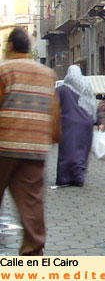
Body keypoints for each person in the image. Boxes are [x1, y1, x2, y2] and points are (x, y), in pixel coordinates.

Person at [0, 27, 60, 255]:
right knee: (32, 203)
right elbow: (55, 113)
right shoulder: (47, 74)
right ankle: (33, 253)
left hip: (5, 145)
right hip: (35, 147)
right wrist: (53, 138)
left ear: (11, 46)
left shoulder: (4, 70)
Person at [52, 64, 104, 189]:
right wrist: (99, 122)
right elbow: (92, 105)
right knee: (82, 152)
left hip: (68, 125)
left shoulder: (62, 89)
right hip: (85, 125)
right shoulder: (85, 86)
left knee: (67, 152)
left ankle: (64, 178)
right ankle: (78, 178)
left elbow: (55, 108)